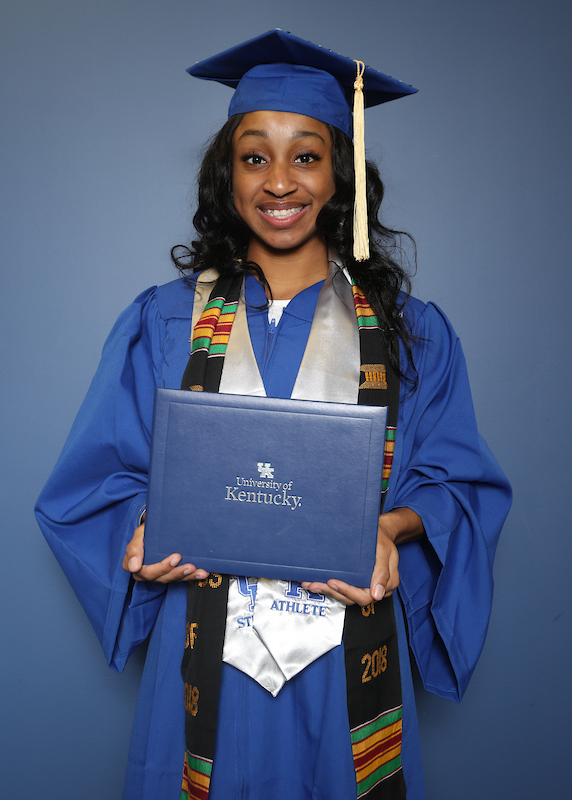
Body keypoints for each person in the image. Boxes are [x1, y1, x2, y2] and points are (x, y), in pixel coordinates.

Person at [36, 30, 511, 800]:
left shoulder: (409, 332)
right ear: (227, 174)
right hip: (202, 654)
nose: (279, 180)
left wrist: (392, 530)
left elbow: (459, 482)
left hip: (344, 661)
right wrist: (141, 532)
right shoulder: (165, 320)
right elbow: (97, 477)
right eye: (254, 155)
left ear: (342, 176)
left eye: (308, 155)